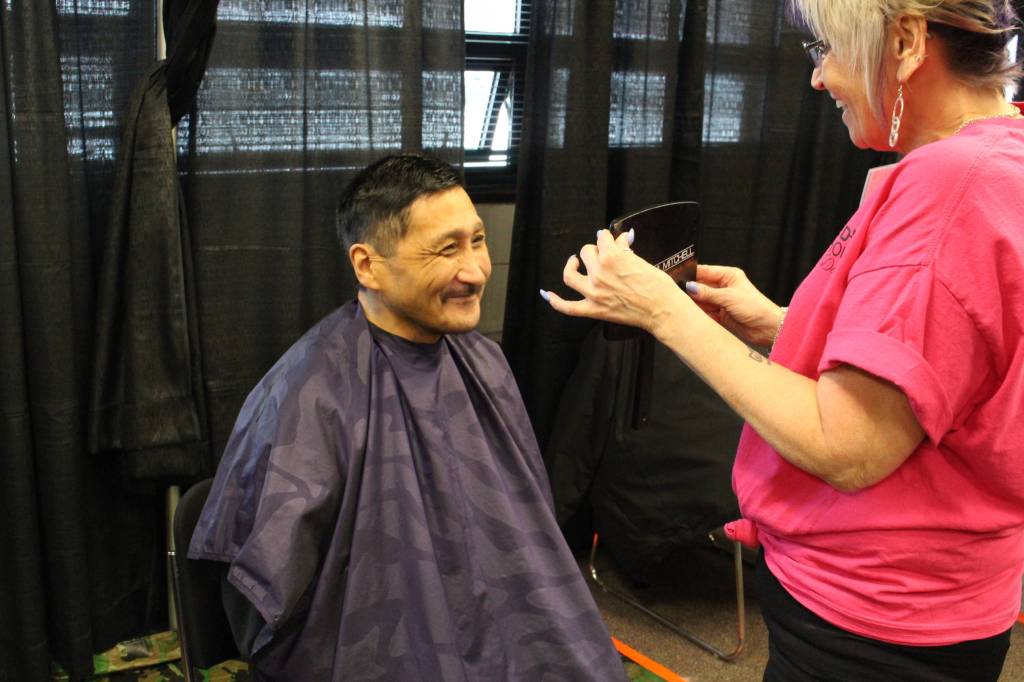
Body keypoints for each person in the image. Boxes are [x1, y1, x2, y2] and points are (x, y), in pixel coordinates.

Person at [542, 1, 1024, 680]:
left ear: (909, 41)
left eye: (827, 49)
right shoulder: (1002, 160)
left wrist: (663, 312)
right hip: (946, 596)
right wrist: (776, 323)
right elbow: (946, 363)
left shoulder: (947, 186)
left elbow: (846, 446)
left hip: (876, 620)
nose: (819, 78)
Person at [189, 154, 625, 681]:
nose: (476, 270)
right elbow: (263, 596)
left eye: (478, 240)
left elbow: (522, 530)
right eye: (447, 249)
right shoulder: (309, 395)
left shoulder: (483, 362)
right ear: (367, 264)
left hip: (505, 624)